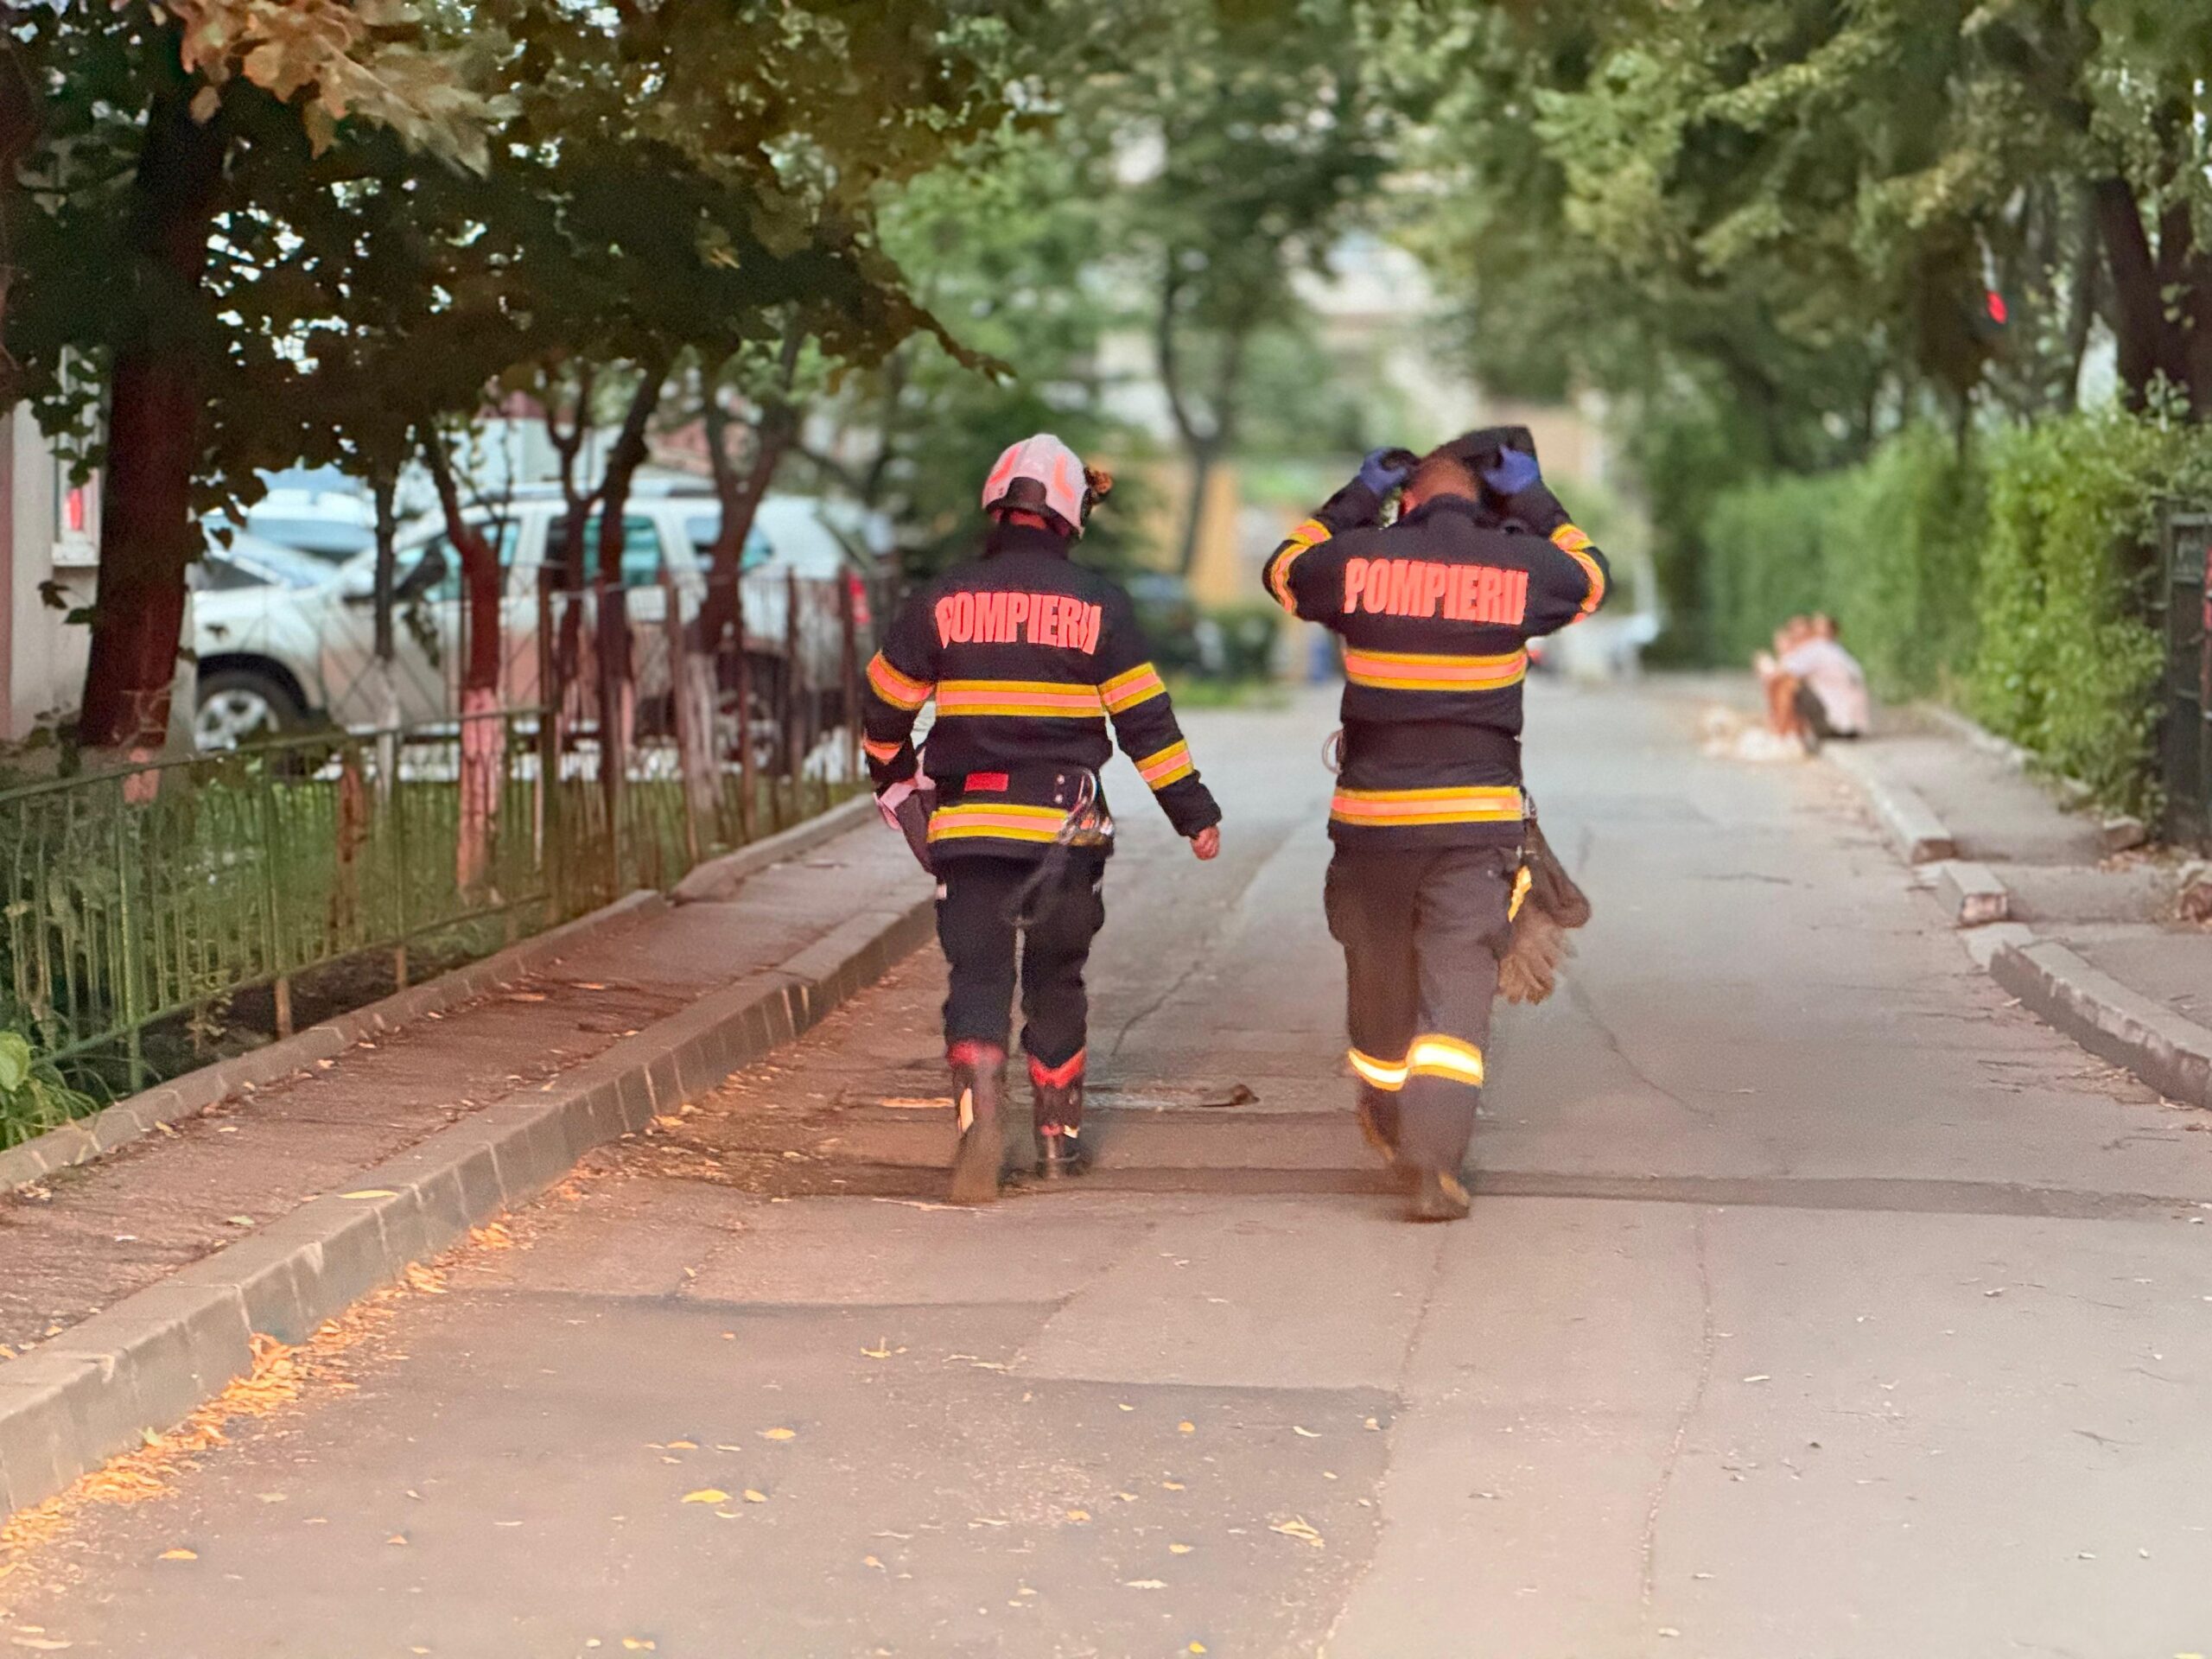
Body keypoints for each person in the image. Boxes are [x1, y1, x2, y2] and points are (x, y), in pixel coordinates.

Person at [861, 434, 1224, 1205]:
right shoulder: (1098, 605)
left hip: (969, 824)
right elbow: (1145, 722)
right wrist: (1192, 812)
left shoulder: (942, 599)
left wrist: (891, 775)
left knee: (978, 973)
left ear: (996, 506)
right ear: (1069, 515)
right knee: (1057, 974)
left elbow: (884, 706)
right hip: (1067, 829)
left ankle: (979, 1116)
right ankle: (1057, 1139)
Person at [1260, 429, 1610, 1221]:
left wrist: (1357, 497)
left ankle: (1388, 1118)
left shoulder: (1360, 560)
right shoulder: (1518, 567)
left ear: (1406, 500)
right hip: (1473, 824)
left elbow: (1284, 569)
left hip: (1373, 827)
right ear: (1488, 499)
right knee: (1459, 990)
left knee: (1379, 983)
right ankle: (1434, 1159)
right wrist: (1535, 500)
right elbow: (1591, 578)